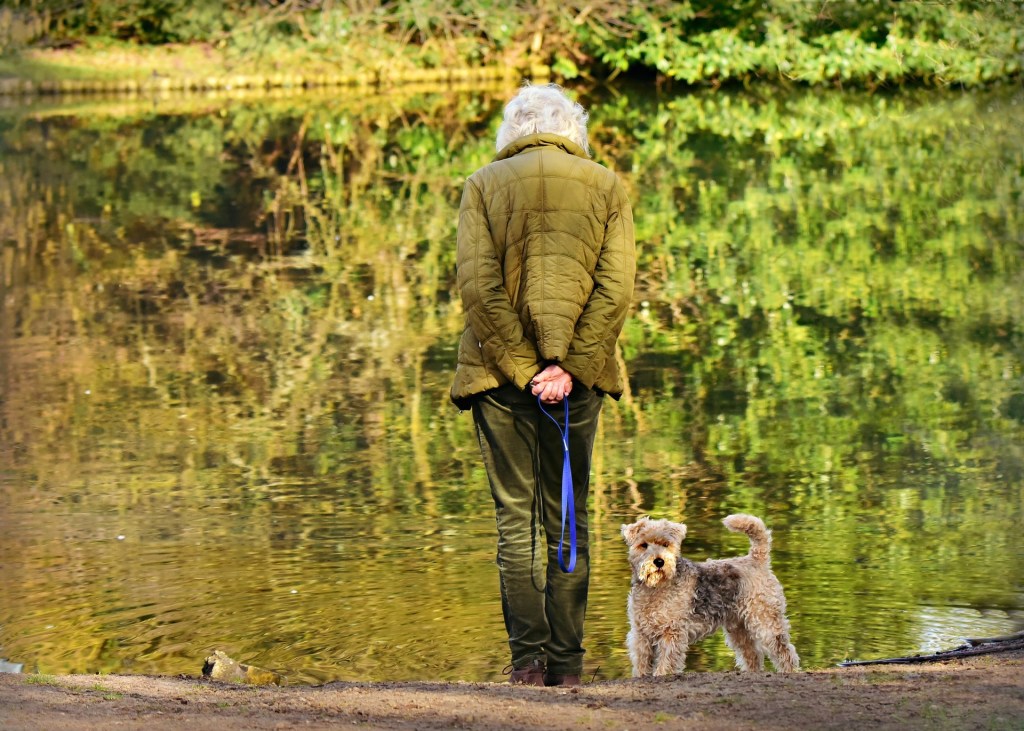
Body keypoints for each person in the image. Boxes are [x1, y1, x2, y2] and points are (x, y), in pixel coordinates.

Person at [451, 83, 636, 687]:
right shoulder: (608, 185)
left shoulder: (481, 184)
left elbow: (478, 289)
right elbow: (616, 290)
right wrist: (568, 369)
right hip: (575, 382)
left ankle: (528, 666)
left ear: (513, 130)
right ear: (570, 128)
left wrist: (526, 369)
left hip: (496, 377)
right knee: (569, 518)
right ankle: (570, 667)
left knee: (515, 521)